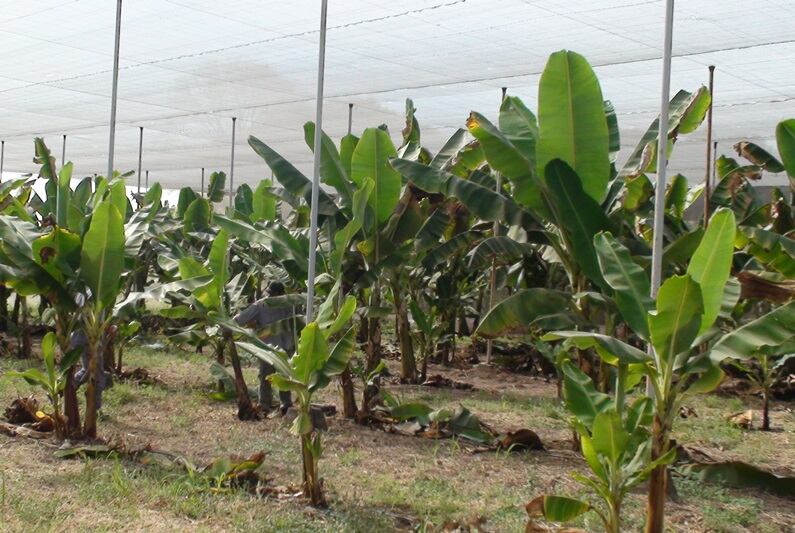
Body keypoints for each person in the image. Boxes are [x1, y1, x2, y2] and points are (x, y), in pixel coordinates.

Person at [234, 282, 294, 415]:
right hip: (278, 347)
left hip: (274, 347)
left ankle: (273, 405)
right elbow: (241, 318)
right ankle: (275, 404)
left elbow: (241, 319)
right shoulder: (286, 304)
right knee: (274, 377)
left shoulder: (267, 304)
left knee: (274, 377)